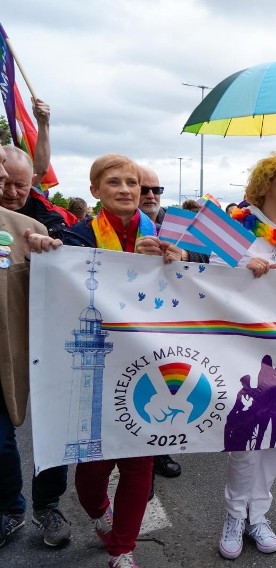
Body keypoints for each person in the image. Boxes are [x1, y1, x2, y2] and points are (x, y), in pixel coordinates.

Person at [206, 152, 276, 559]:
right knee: (247, 438)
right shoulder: (237, 225)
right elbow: (209, 278)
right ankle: (235, 516)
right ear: (265, 183)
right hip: (242, 348)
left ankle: (259, 515)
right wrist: (241, 265)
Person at [52, 154, 157, 567]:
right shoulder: (77, 237)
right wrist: (47, 248)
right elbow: (57, 269)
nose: (128, 190)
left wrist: (176, 259)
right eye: (115, 182)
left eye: (133, 182)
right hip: (94, 365)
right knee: (92, 469)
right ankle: (98, 512)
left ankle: (123, 549)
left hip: (145, 362)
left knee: (138, 462)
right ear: (95, 191)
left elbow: (199, 273)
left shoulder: (158, 235)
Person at [0, 145, 72, 550]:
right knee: (1, 438)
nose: (10, 191)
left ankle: (49, 506)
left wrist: (52, 251)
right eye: (4, 182)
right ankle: (10, 509)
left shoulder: (36, 228)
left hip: (40, 350)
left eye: (19, 185)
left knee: (51, 429)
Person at [134, 165, 183, 484]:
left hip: (168, 323)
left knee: (165, 388)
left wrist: (183, 255)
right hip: (129, 324)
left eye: (157, 190)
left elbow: (208, 263)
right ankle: (135, 465)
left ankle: (159, 454)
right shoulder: (117, 226)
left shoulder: (176, 224)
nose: (151, 195)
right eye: (145, 189)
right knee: (134, 394)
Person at [1, 145, 76, 237]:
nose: (12, 193)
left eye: (20, 185)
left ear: (32, 181)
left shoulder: (56, 222)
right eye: (5, 183)